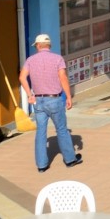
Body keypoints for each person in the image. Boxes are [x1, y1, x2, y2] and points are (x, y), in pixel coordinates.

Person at [19, 33, 79, 175]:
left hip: (39, 101)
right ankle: (70, 159)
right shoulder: (58, 59)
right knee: (62, 129)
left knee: (41, 132)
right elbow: (63, 78)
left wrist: (30, 95)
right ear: (49, 45)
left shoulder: (30, 60)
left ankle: (41, 165)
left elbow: (22, 77)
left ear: (38, 46)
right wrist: (69, 96)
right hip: (55, 99)